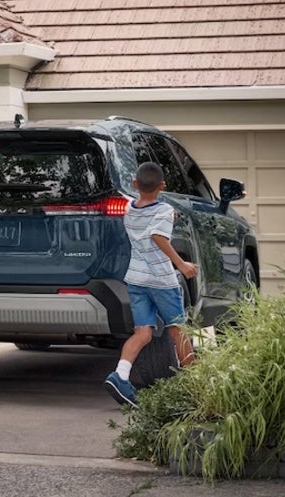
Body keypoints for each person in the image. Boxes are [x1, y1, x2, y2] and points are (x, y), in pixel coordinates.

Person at [105, 161, 198, 407]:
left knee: (143, 332)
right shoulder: (164, 210)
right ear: (162, 186)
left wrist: (167, 215)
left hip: (136, 279)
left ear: (135, 185)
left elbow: (147, 215)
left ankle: (121, 376)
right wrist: (182, 264)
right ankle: (197, 384)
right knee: (178, 330)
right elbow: (157, 235)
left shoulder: (129, 208)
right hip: (160, 281)